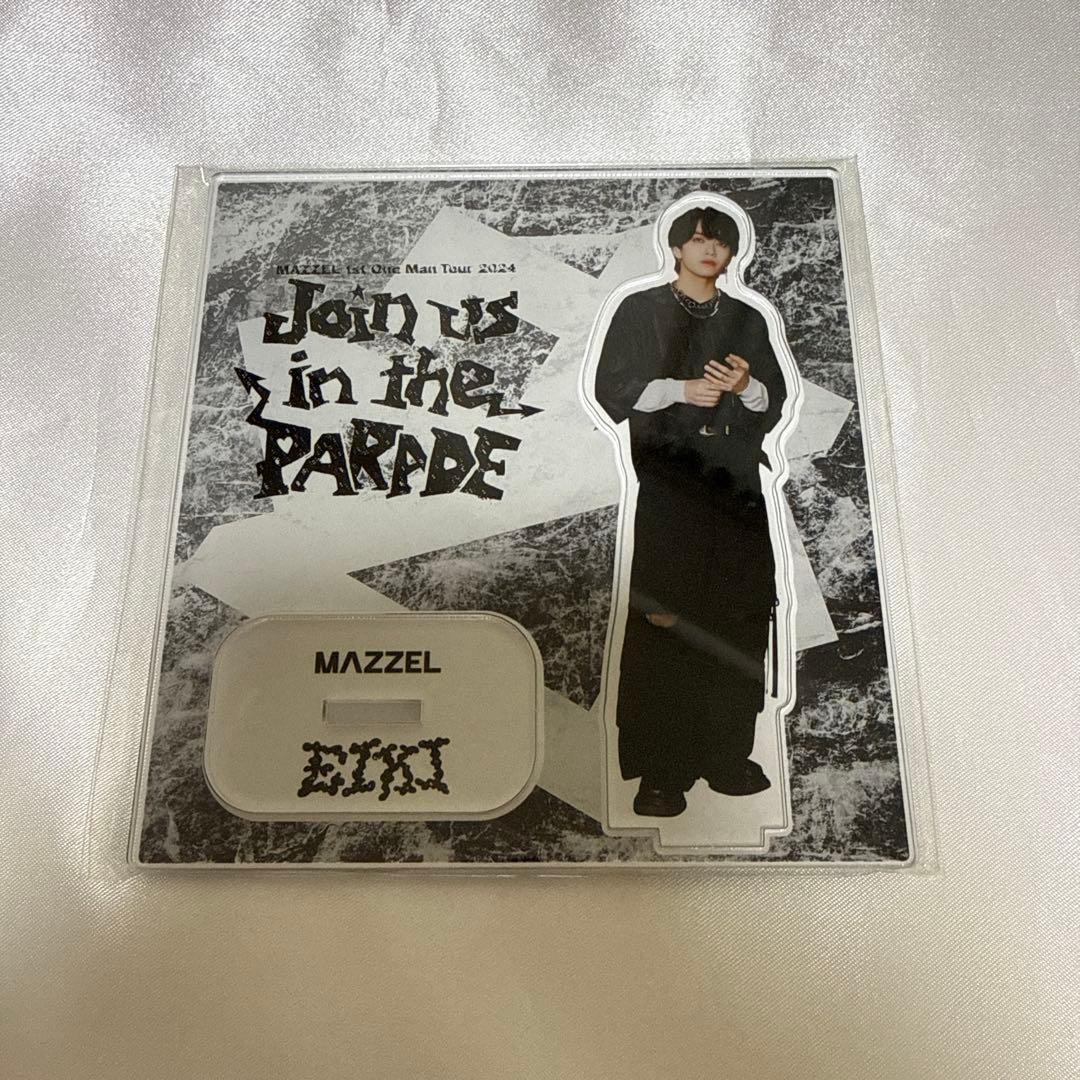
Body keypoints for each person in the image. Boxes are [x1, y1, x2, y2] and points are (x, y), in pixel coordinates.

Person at [594, 204, 788, 818]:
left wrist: (744, 387)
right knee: (667, 617)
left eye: (720, 242)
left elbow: (774, 399)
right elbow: (610, 387)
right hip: (672, 486)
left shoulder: (747, 318)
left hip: (735, 486)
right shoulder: (641, 309)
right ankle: (662, 771)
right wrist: (681, 389)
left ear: (731, 254)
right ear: (677, 247)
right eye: (699, 239)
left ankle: (726, 756)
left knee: (738, 616)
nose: (709, 250)